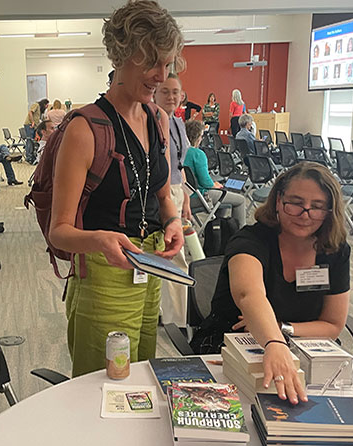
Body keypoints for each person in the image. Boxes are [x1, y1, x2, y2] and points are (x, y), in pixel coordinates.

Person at [50, 0, 184, 377]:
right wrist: (100, 241)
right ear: (122, 55)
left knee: (141, 373)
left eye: (168, 64)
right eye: (151, 62)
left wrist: (172, 221)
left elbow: (161, 194)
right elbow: (59, 230)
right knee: (103, 381)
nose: (161, 75)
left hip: (151, 263)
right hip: (104, 270)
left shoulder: (157, 119)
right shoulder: (85, 128)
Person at [191, 162, 351, 406]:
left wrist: (281, 329)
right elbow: (249, 295)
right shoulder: (251, 240)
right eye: (295, 203)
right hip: (229, 344)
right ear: (278, 201)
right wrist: (275, 343)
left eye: (317, 207)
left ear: (330, 211)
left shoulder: (335, 250)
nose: (305, 214)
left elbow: (332, 325)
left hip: (300, 347)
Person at [153, 73, 192, 327]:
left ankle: (171, 313)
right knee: (171, 255)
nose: (171, 97)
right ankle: (177, 320)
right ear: (155, 93)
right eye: (165, 91)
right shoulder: (151, 121)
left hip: (177, 190)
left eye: (175, 92)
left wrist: (186, 197)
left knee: (171, 254)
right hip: (160, 194)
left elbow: (181, 164)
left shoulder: (177, 122)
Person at [182, 119, 247, 228]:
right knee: (240, 200)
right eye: (201, 136)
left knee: (223, 200)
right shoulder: (198, 154)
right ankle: (240, 236)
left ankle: (214, 229)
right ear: (197, 136)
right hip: (198, 196)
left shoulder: (180, 151)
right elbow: (205, 182)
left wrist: (214, 185)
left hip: (185, 196)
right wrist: (215, 185)